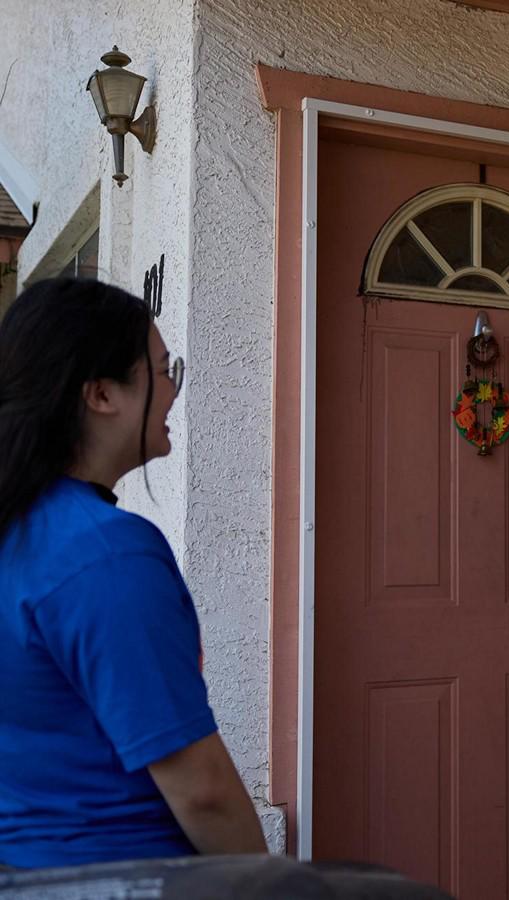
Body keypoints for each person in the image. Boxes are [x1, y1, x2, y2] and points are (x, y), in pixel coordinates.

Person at [0, 278, 266, 868]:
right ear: (99, 394)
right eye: (164, 370)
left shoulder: (20, 532)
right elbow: (204, 794)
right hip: (125, 875)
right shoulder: (106, 556)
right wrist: (264, 883)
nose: (174, 390)